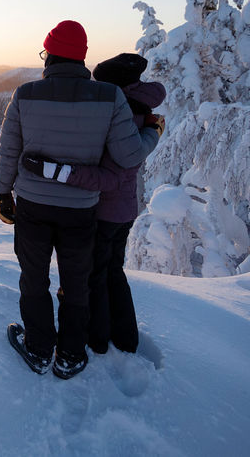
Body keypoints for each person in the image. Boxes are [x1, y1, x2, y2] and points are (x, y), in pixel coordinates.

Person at [0, 21, 162, 379]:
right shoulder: (109, 97)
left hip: (34, 207)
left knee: (33, 277)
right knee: (76, 281)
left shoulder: (24, 94)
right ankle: (70, 354)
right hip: (81, 209)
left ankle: (39, 349)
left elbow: (9, 151)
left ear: (50, 54)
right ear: (82, 57)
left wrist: (2, 192)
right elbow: (129, 156)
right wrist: (151, 132)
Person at [23, 53, 165, 356]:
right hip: (124, 210)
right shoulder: (139, 110)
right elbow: (135, 154)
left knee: (94, 277)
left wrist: (57, 172)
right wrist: (153, 131)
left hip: (105, 209)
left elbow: (110, 176)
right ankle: (126, 337)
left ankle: (97, 339)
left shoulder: (118, 113)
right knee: (112, 271)